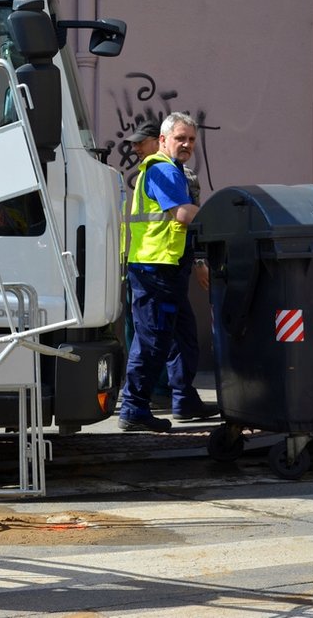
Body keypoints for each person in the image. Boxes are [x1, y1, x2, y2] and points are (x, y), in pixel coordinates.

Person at [120, 112, 218, 432]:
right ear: (163, 141)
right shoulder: (162, 169)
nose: (187, 144)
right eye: (180, 138)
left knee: (184, 337)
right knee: (153, 342)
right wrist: (225, 224)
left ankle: (184, 399)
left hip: (169, 268)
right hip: (155, 269)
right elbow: (182, 214)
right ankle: (134, 407)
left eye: (191, 139)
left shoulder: (173, 170)